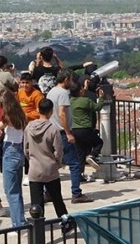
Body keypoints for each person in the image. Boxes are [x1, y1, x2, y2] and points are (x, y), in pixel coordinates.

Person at [24, 98, 76, 235]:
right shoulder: (53, 129)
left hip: (34, 169)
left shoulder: (28, 128)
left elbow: (26, 149)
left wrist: (32, 160)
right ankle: (66, 225)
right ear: (51, 111)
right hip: (50, 169)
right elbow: (58, 151)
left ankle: (38, 233)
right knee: (57, 199)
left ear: (38, 110)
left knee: (36, 203)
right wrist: (56, 163)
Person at [48, 69, 93, 203]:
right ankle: (76, 193)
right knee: (74, 164)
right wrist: (68, 132)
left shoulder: (51, 91)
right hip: (61, 132)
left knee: (52, 164)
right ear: (67, 79)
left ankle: (48, 192)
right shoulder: (63, 94)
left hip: (51, 131)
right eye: (71, 79)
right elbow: (62, 113)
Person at [0, 90, 27, 229]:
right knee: (17, 191)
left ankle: (18, 224)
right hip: (19, 150)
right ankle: (20, 220)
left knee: (11, 191)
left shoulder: (8, 117)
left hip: (10, 151)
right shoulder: (20, 114)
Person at [69, 81, 105, 175]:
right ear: (80, 90)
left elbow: (79, 92)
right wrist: (101, 98)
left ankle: (80, 175)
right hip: (85, 128)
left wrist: (85, 87)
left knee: (80, 152)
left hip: (75, 130)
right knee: (98, 142)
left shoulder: (71, 101)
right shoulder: (86, 101)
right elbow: (97, 107)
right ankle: (92, 156)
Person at [17, 72, 43, 186]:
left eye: (27, 83)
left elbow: (39, 111)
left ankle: (31, 173)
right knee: (25, 149)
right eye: (22, 83)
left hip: (34, 125)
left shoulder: (37, 95)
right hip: (22, 125)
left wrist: (26, 115)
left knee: (33, 150)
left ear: (32, 82)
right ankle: (27, 173)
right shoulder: (20, 92)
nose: (25, 85)